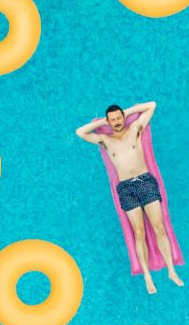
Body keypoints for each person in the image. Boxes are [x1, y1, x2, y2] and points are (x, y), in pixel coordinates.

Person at [76, 102, 183, 294]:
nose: (116, 122)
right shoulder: (105, 139)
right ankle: (147, 277)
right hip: (126, 188)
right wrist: (102, 121)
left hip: (145, 181)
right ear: (108, 121)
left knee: (159, 228)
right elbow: (80, 132)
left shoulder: (135, 129)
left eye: (119, 118)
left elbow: (152, 106)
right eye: (113, 119)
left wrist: (127, 113)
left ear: (123, 117)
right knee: (139, 233)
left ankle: (171, 271)